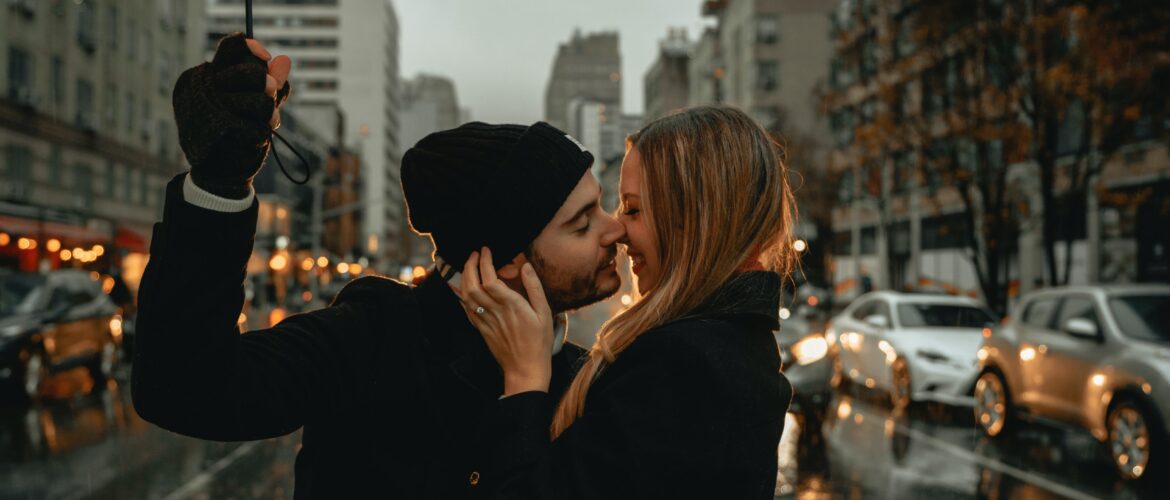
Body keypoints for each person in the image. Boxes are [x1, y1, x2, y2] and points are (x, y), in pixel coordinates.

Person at [131, 33, 625, 499]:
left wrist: (528, 387)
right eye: (582, 224)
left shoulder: (592, 380)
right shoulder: (377, 336)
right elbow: (185, 389)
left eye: (602, 206)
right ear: (506, 263)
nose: (615, 229)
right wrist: (218, 183)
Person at [457, 106, 797, 498]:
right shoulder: (730, 343)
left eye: (633, 209)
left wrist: (524, 379)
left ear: (695, 219)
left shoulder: (685, 365)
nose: (618, 229)